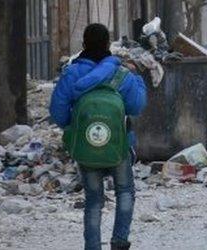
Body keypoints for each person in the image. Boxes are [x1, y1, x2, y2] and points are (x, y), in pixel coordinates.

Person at [50, 23, 147, 250]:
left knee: (93, 201)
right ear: (107, 45)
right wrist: (138, 80)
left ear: (83, 44)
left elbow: (58, 113)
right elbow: (137, 106)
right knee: (125, 191)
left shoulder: (72, 74)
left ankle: (92, 247)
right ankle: (119, 240)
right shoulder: (120, 74)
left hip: (87, 146)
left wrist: (75, 128)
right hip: (119, 147)